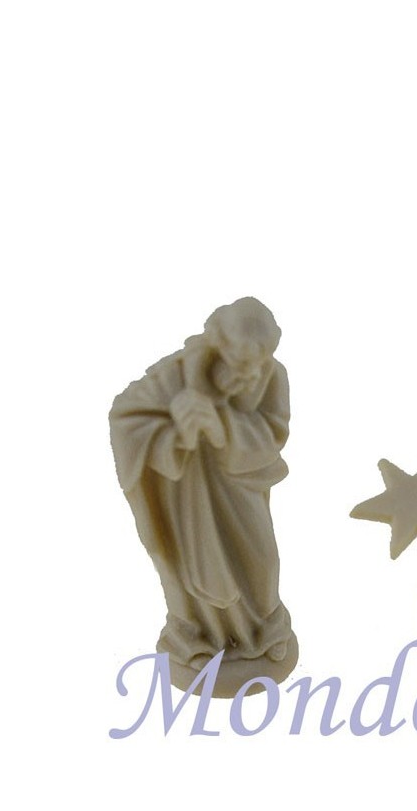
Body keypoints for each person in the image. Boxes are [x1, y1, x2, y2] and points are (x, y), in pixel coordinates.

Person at [110, 296, 297, 696]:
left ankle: (262, 634)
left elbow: (274, 433)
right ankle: (198, 638)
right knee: (192, 565)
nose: (248, 374)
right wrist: (177, 431)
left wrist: (222, 425)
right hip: (184, 492)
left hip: (241, 483)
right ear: (217, 343)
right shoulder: (177, 374)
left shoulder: (273, 376)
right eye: (239, 362)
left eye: (257, 362)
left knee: (260, 562)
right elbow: (127, 416)